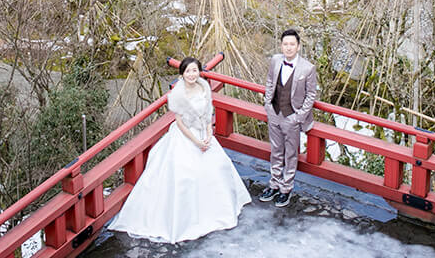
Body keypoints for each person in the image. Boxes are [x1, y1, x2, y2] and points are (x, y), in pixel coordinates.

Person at [108, 56, 252, 243]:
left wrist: (208, 135)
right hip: (186, 136)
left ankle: (214, 211)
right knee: (186, 175)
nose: (191, 74)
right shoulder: (178, 95)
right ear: (182, 74)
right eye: (187, 71)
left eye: (194, 70)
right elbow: (181, 124)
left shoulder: (203, 87)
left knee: (217, 168)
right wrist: (197, 142)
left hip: (203, 133)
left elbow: (208, 114)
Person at [259, 28, 318, 207]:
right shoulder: (276, 60)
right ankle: (274, 184)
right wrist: (268, 105)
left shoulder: (308, 68)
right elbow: (270, 81)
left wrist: (299, 117)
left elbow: (311, 95)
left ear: (298, 46)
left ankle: (286, 188)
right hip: (274, 112)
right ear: (281, 45)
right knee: (276, 150)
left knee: (291, 154)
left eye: (292, 44)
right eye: (286, 44)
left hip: (292, 116)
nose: (289, 47)